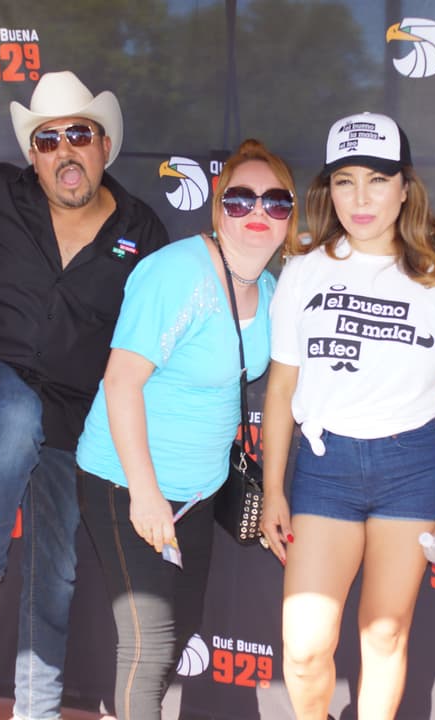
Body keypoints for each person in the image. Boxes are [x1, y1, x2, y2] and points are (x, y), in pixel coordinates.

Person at [0, 70, 169, 720]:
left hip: (74, 418)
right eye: (48, 140)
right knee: (16, 414)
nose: (65, 150)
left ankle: (33, 713)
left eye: (79, 135)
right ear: (32, 153)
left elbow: (164, 331)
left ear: (104, 145)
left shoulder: (141, 229)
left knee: (55, 577)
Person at [258, 112, 435, 720]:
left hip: (412, 467)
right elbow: (280, 389)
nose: (361, 198)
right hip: (326, 469)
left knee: (384, 633)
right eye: (345, 181)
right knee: (305, 648)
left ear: (405, 189)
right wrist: (273, 489)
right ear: (328, 189)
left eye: (378, 180)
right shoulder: (303, 271)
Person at [76, 139, 291, 719]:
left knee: (182, 625)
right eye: (241, 199)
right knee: (147, 648)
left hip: (199, 492)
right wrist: (145, 495)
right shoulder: (177, 273)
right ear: (218, 207)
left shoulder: (271, 289)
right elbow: (121, 382)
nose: (257, 213)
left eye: (275, 202)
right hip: (128, 481)